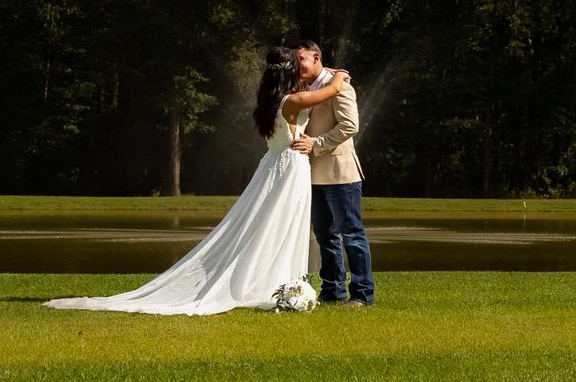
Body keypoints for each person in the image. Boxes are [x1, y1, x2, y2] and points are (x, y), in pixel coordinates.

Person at [46, 46, 350, 315]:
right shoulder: (293, 100)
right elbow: (331, 90)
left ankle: (280, 283)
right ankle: (279, 285)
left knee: (271, 225)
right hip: (290, 168)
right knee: (281, 224)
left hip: (276, 165)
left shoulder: (272, 101)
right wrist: (338, 74)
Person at [287, 39, 374, 306]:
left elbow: (350, 126)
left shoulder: (340, 85)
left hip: (340, 174)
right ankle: (332, 291)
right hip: (311, 175)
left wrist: (317, 144)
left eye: (300, 59)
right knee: (324, 235)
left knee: (352, 233)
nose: (296, 65)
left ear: (316, 57)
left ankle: (362, 294)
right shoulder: (301, 87)